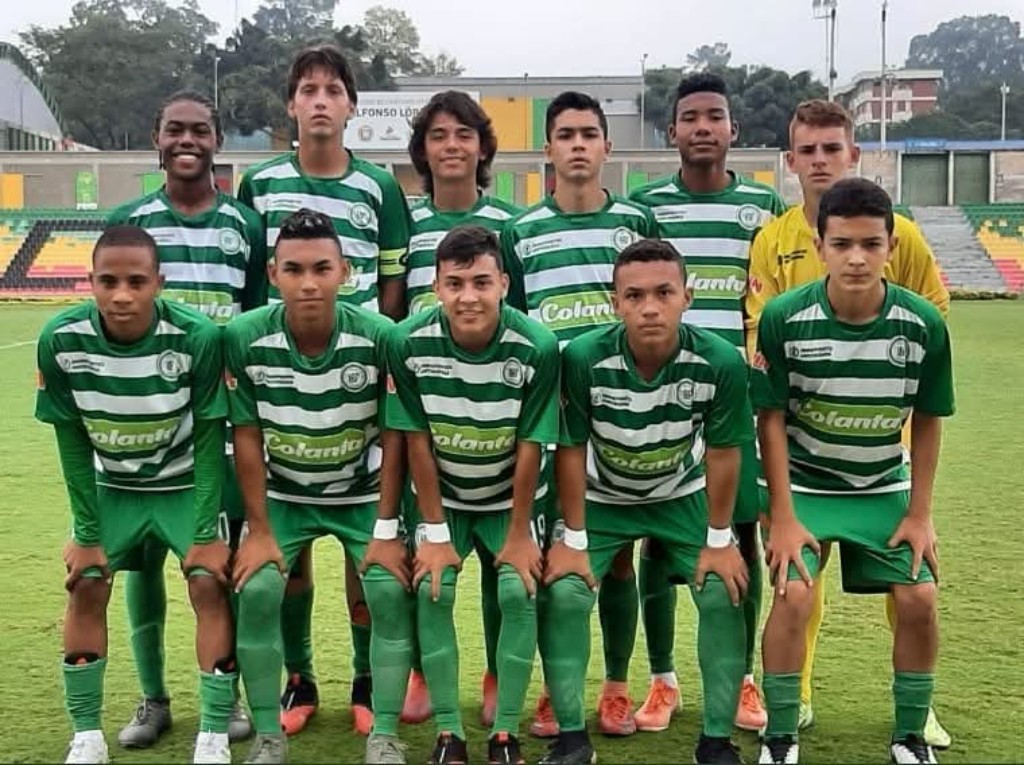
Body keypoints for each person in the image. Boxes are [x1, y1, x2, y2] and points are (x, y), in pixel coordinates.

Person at [744, 98, 951, 746]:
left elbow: (928, 353)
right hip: (803, 457)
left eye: (831, 148)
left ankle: (915, 714)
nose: (857, 257)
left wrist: (918, 501)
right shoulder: (774, 247)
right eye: (807, 150)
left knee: (913, 589)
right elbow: (763, 367)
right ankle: (792, 702)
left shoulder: (905, 246)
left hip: (879, 454)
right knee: (797, 586)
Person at [237, 43, 412, 736]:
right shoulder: (259, 184)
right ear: (290, 105)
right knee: (291, 554)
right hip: (285, 376)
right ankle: (299, 677)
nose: (319, 101)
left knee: (362, 550)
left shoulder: (379, 187)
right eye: (307, 90)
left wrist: (377, 347)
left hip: (357, 379)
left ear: (350, 106)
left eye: (332, 90)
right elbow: (254, 285)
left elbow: (393, 279)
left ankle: (366, 675)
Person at [540, 238, 752, 765]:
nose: (650, 307)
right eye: (634, 296)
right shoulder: (584, 357)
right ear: (616, 303)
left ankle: (716, 742)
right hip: (601, 495)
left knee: (723, 590)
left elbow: (724, 453)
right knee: (564, 592)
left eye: (664, 293)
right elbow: (570, 448)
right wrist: (573, 537)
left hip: (680, 495)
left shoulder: (720, 360)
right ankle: (572, 740)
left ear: (687, 297)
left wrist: (720, 539)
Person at [36, 225, 238, 765]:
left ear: (158, 283)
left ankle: (214, 736)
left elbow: (210, 435)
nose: (122, 294)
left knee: (208, 582)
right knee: (86, 583)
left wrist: (205, 533)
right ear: (91, 282)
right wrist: (86, 534)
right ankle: (87, 735)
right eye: (109, 281)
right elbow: (71, 439)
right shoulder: (61, 339)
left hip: (183, 483)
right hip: (114, 487)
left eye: (136, 281)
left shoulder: (197, 336)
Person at [628, 72, 786, 733]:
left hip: (734, 397)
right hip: (664, 395)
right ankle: (661, 679)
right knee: (657, 537)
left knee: (738, 532)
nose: (702, 127)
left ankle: (741, 676)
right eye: (689, 117)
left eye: (713, 116)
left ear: (733, 129)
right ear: (671, 131)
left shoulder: (764, 206)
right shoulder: (646, 207)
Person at [108, 89, 265, 749]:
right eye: (175, 129)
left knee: (217, 562)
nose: (187, 141)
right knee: (141, 564)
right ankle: (153, 698)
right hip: (144, 416)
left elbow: (254, 317)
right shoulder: (130, 219)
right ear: (157, 137)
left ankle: (225, 695)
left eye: (200, 130)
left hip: (215, 426)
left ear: (217, 140)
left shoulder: (245, 224)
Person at [501, 91, 657, 738]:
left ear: (606, 147)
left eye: (588, 134)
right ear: (548, 148)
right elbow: (516, 324)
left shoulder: (637, 220)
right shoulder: (521, 231)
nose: (577, 145)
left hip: (621, 413)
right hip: (553, 417)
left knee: (616, 558)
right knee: (550, 555)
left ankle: (617, 687)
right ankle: (555, 687)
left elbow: (653, 300)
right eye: (565, 135)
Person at [225, 209, 400, 765]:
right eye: (294, 269)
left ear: (344, 272)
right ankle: (274, 725)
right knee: (257, 589)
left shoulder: (379, 336)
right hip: (284, 496)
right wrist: (257, 529)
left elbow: (395, 434)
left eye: (322, 268)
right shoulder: (244, 337)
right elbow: (246, 435)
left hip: (361, 493)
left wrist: (388, 527)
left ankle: (379, 719)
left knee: (387, 590)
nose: (308, 283)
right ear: (273, 273)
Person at [385, 225, 560, 765]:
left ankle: (505, 733)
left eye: (481, 282)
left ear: (503, 284)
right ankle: (449, 734)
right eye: (455, 283)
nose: (468, 297)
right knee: (433, 588)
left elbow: (532, 444)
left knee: (517, 591)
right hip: (445, 498)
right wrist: (436, 533)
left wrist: (519, 535)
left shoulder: (537, 346)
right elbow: (416, 441)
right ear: (435, 287)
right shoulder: (407, 342)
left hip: (511, 499)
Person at [400, 90, 521, 726]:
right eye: (438, 134)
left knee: (503, 562)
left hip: (497, 408)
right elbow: (395, 312)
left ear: (483, 146)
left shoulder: (510, 224)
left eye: (464, 133)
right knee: (426, 551)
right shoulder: (405, 221)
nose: (451, 145)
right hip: (428, 405)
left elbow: (517, 317)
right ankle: (422, 669)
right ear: (422, 150)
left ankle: (499, 670)